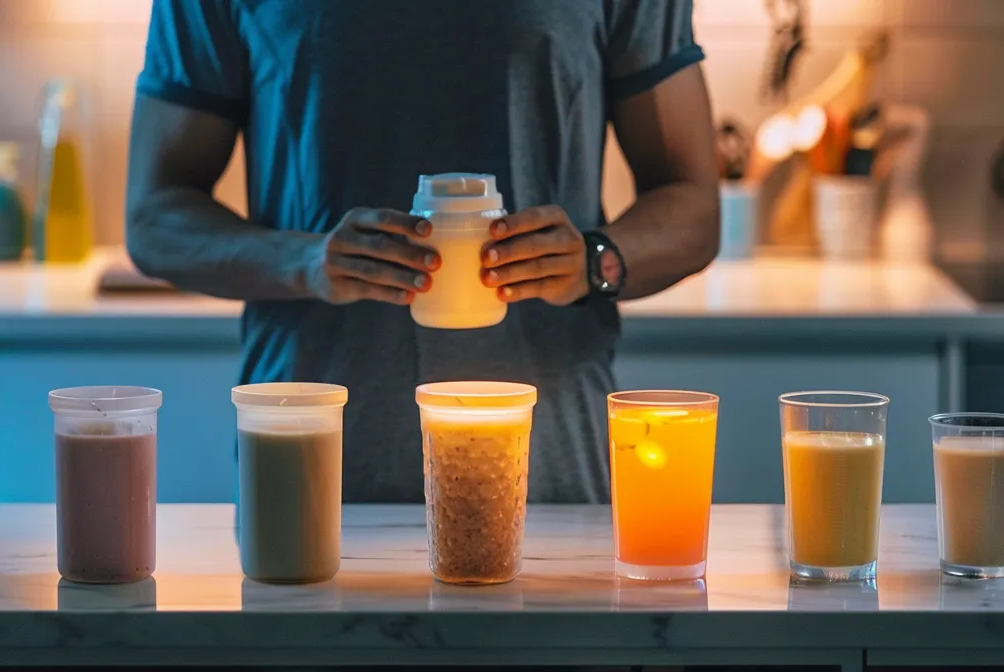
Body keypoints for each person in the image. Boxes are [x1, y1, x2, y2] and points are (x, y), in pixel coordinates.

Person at [126, 1, 719, 504]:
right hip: (311, 454)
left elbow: (693, 206)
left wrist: (594, 260)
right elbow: (154, 216)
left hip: (549, 462)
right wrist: (304, 260)